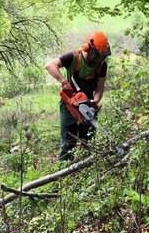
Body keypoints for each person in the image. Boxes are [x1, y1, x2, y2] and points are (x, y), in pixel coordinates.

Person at [45, 30, 111, 161]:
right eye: (97, 55)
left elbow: (99, 89)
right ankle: (64, 170)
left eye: (102, 56)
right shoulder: (74, 57)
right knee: (68, 141)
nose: (100, 59)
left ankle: (87, 166)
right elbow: (50, 65)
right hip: (69, 104)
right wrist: (63, 82)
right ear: (88, 48)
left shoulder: (102, 65)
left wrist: (94, 103)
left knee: (89, 140)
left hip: (88, 105)